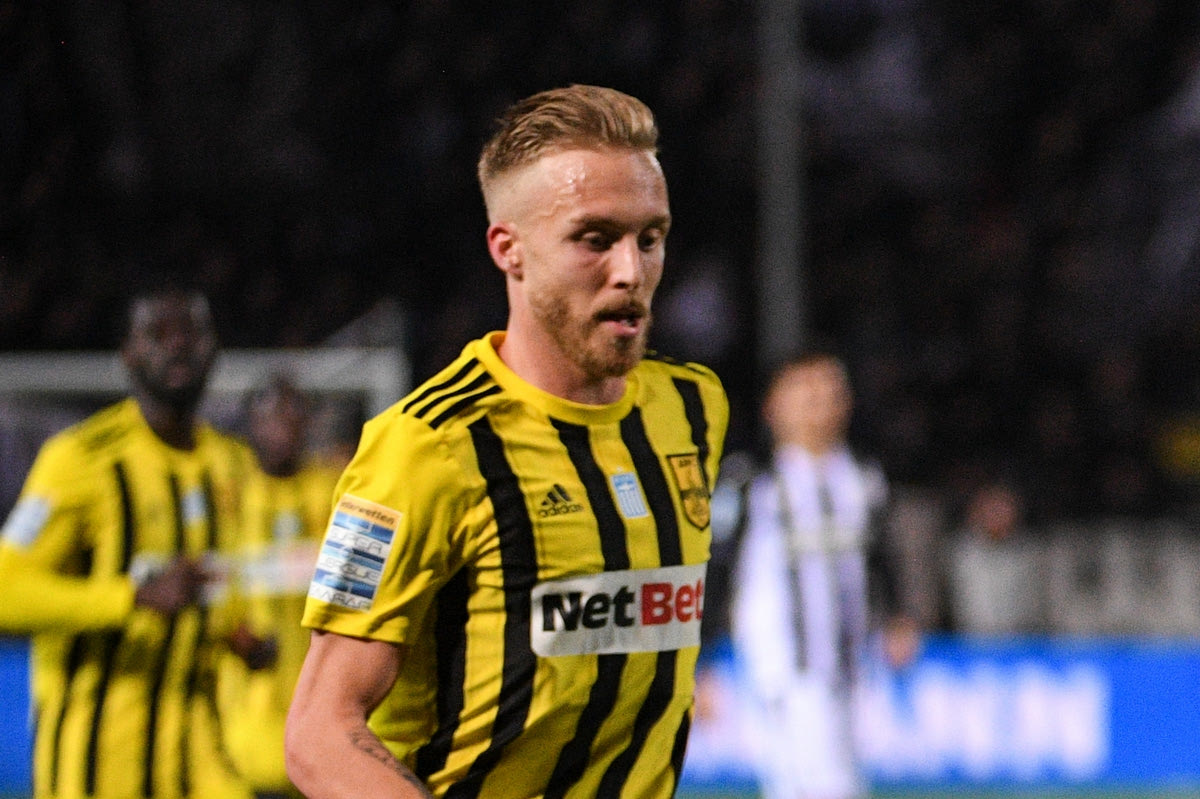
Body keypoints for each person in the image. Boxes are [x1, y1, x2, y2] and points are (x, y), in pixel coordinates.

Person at [284, 84, 730, 799]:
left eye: (650, 238)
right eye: (595, 239)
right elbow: (319, 733)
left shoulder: (692, 407)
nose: (630, 271)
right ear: (509, 249)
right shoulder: (426, 447)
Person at [0, 282, 259, 798]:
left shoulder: (231, 463)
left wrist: (235, 637)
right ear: (128, 354)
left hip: (201, 757)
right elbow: (6, 592)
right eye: (158, 333)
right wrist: (132, 596)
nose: (178, 344)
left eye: (192, 331)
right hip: (97, 767)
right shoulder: (81, 458)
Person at [729, 349, 916, 799]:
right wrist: (702, 661)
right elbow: (719, 568)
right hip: (783, 665)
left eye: (833, 393)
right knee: (827, 783)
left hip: (852, 662)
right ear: (774, 405)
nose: (822, 404)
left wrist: (897, 617)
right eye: (807, 392)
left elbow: (881, 555)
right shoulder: (753, 481)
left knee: (808, 782)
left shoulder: (862, 477)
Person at [219, 373, 341, 798]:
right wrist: (231, 630)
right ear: (251, 424)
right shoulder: (232, 494)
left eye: (292, 415)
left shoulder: (332, 488)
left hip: (323, 689)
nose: (282, 426)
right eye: (270, 416)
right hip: (251, 696)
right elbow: (213, 574)